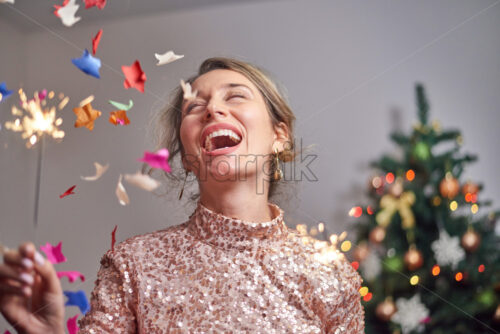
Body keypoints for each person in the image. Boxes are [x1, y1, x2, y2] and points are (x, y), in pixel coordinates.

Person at [0, 57, 365, 333]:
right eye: (193, 106)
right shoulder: (131, 265)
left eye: (235, 96)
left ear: (279, 136)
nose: (213, 109)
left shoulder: (332, 275)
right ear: (188, 158)